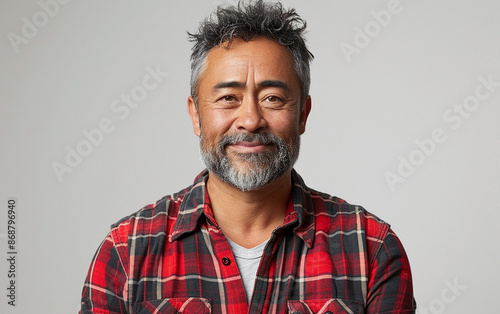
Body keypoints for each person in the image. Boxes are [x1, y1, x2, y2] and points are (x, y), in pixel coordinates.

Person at [80, 1, 416, 313]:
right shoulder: (126, 253)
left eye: (272, 98)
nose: (251, 120)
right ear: (196, 115)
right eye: (228, 98)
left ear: (302, 115)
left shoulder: (371, 250)